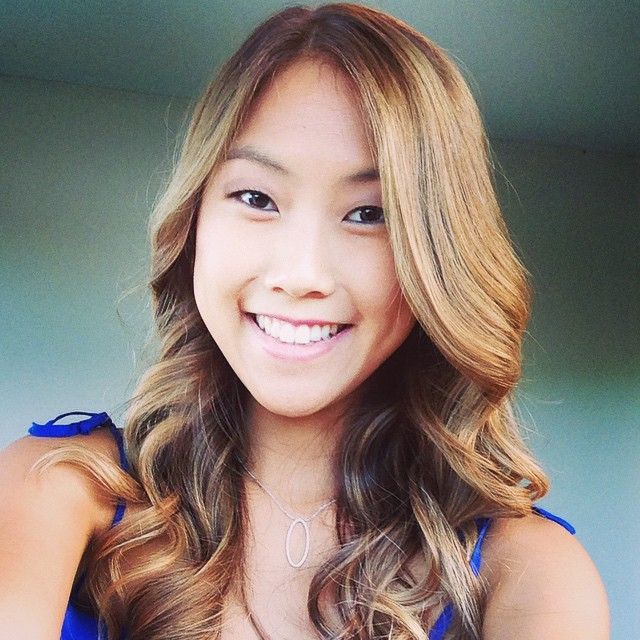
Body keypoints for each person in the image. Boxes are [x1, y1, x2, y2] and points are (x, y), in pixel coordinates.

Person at [0, 3, 609, 639]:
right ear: (195, 221)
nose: (301, 274)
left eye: (370, 214)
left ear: (439, 252)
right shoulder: (53, 487)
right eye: (257, 198)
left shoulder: (532, 573)